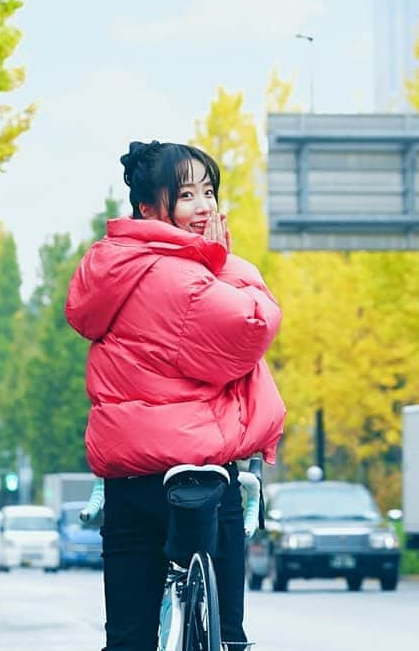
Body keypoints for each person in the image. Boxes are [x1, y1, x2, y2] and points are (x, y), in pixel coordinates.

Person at [65, 140, 286, 650]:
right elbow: (252, 326)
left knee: (127, 637)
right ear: (149, 208)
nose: (203, 206)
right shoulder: (188, 275)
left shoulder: (107, 269)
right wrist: (221, 260)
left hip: (127, 476)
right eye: (186, 195)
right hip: (200, 474)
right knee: (227, 635)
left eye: (208, 191)